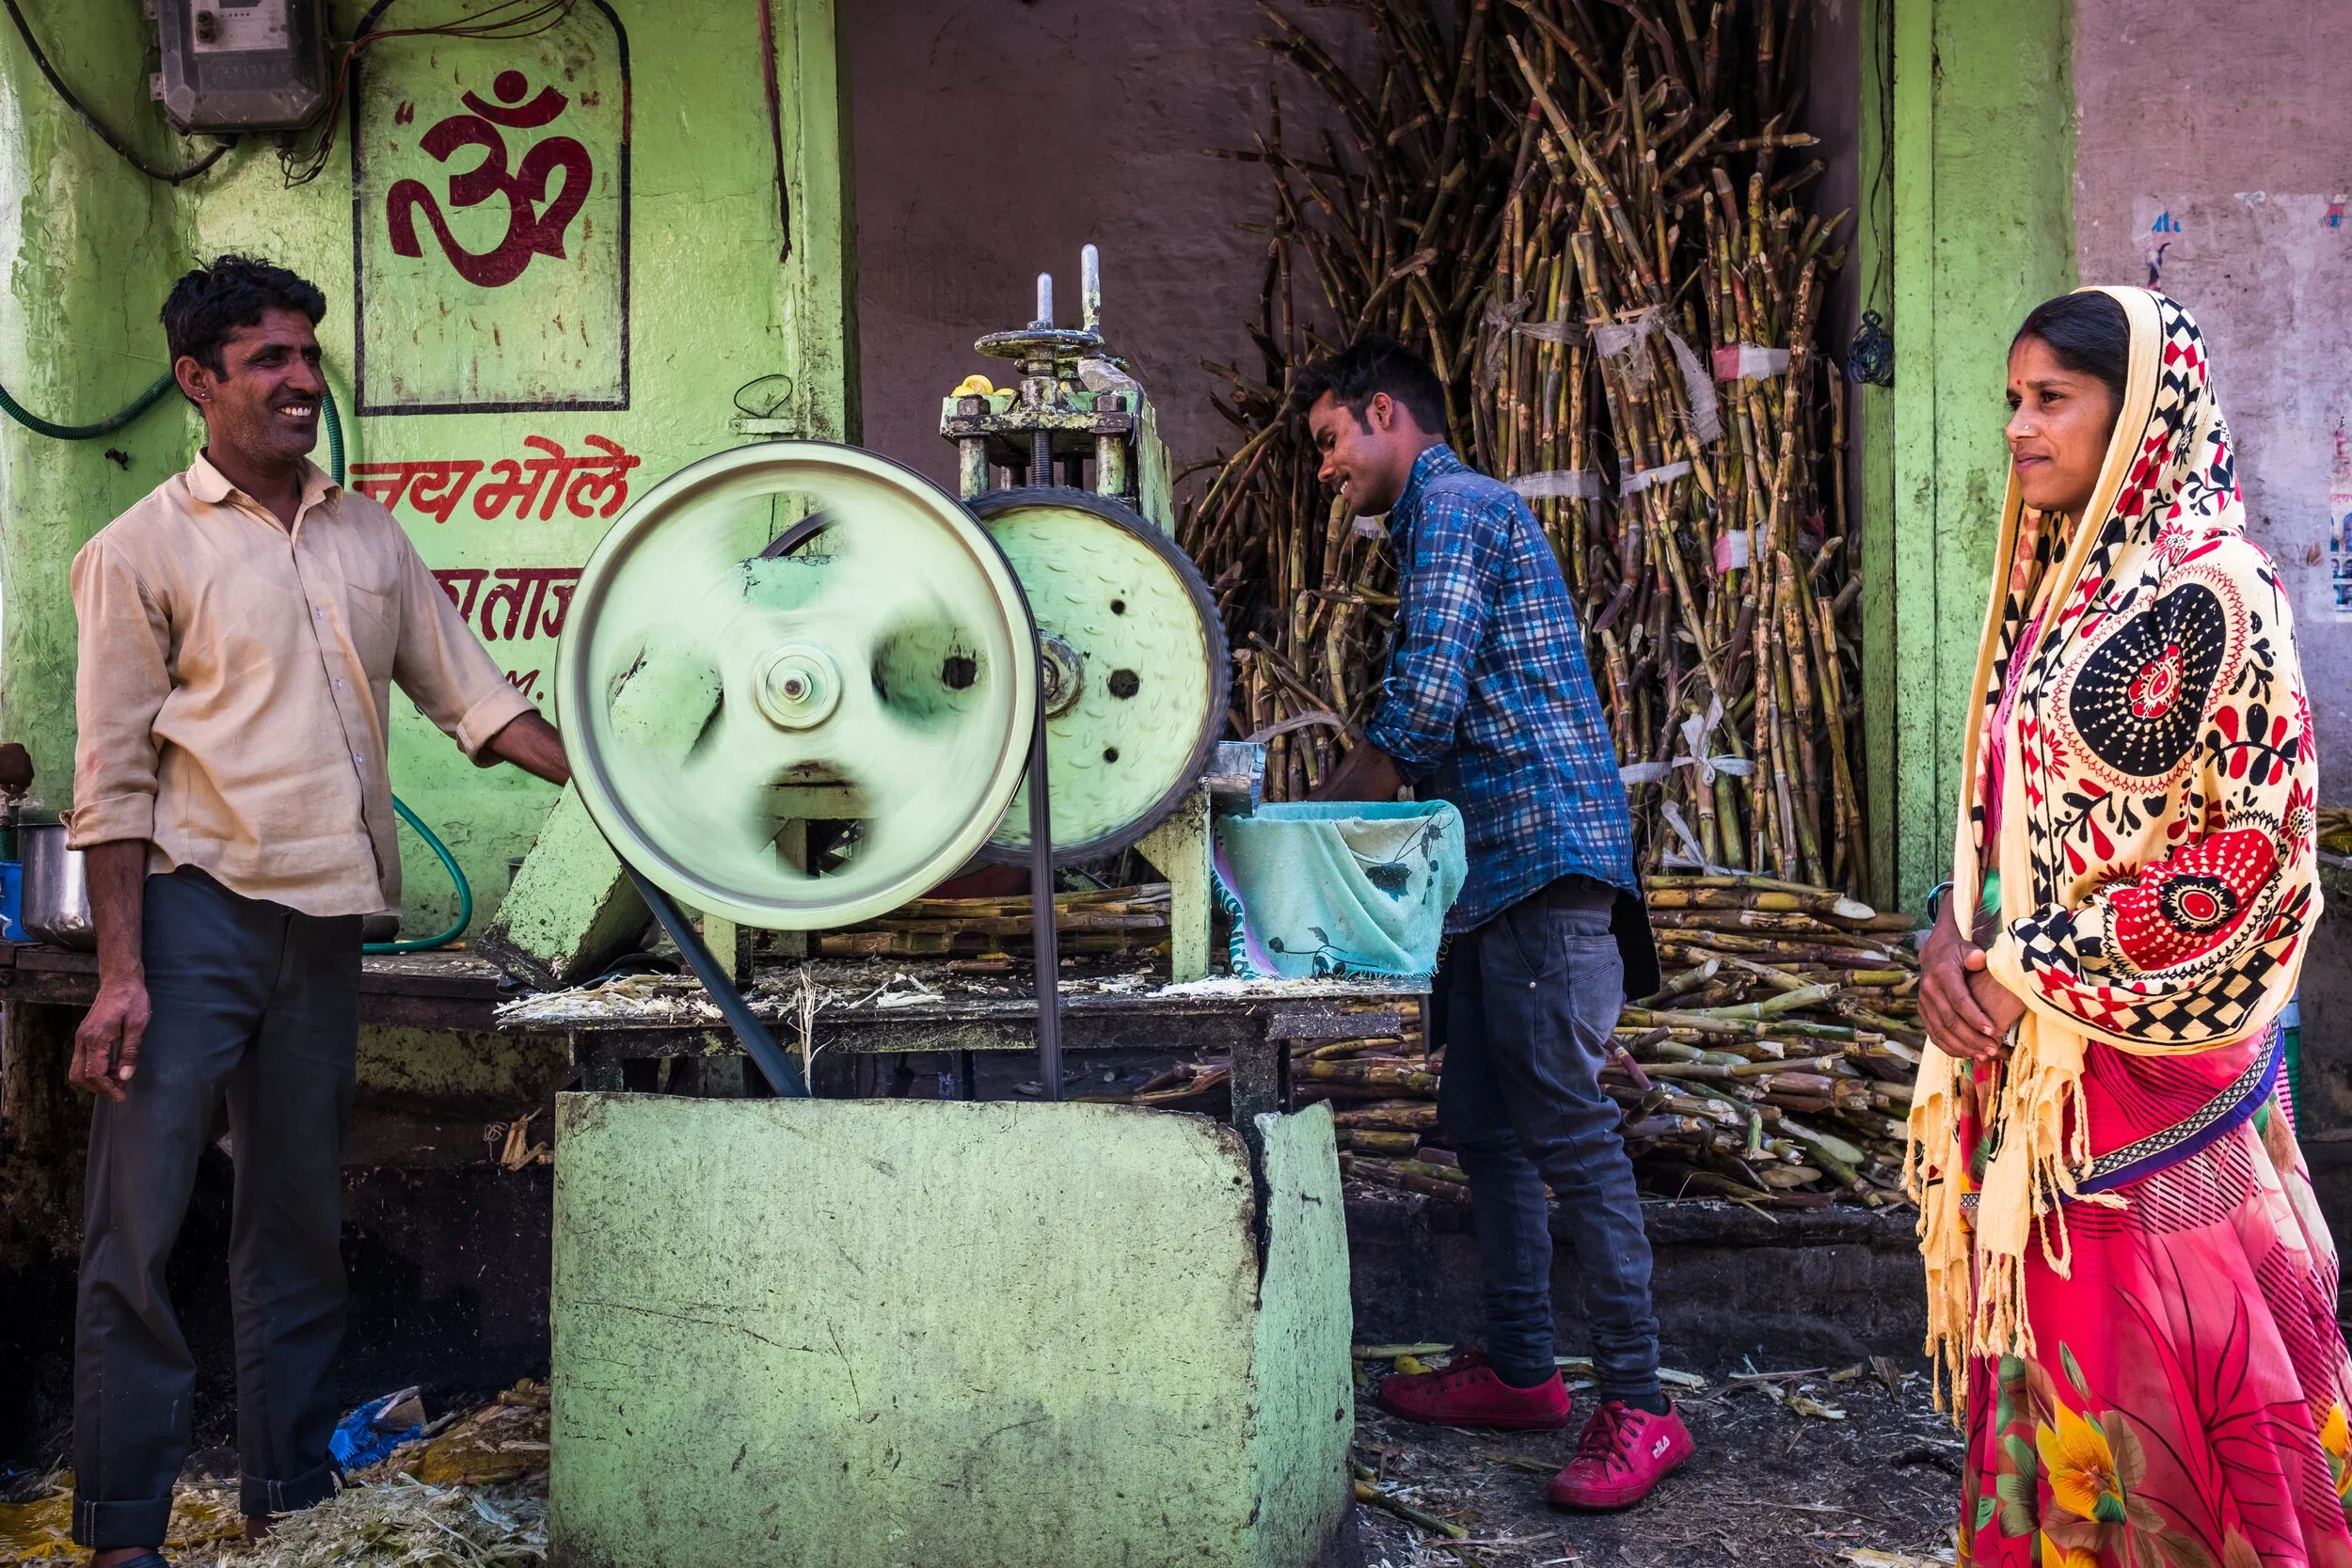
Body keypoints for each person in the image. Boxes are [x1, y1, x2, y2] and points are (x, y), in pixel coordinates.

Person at [64, 256, 570, 1566]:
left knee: (293, 1228)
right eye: (268, 361)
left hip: (327, 929)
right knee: (137, 1229)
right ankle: (126, 1532)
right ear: (199, 381)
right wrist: (121, 972)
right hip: (189, 921)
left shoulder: (368, 535)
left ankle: (286, 1501)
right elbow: (111, 780)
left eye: (307, 356)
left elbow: (480, 700)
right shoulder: (138, 551)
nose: (301, 381)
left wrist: (640, 787)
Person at [1911, 287, 2352, 1566]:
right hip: (2033, 1081)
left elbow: (2250, 858)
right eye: (2013, 400)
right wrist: (1948, 937)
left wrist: (2022, 971)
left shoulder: (2222, 590)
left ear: (2143, 414)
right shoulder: (2060, 588)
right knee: (2066, 1395)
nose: (2018, 429)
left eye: (2053, 400)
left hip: (2147, 1088)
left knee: (2180, 1405)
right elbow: (2003, 815)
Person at [1298, 335, 1690, 1511]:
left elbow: (1422, 698)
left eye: (1328, 443)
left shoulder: (1458, 505)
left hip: (1541, 869)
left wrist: (1305, 827)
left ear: (1383, 414)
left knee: (1569, 1135)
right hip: (1487, 878)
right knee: (1485, 1126)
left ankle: (1642, 1403)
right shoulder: (1437, 519)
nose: (1325, 469)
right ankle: (1523, 1369)